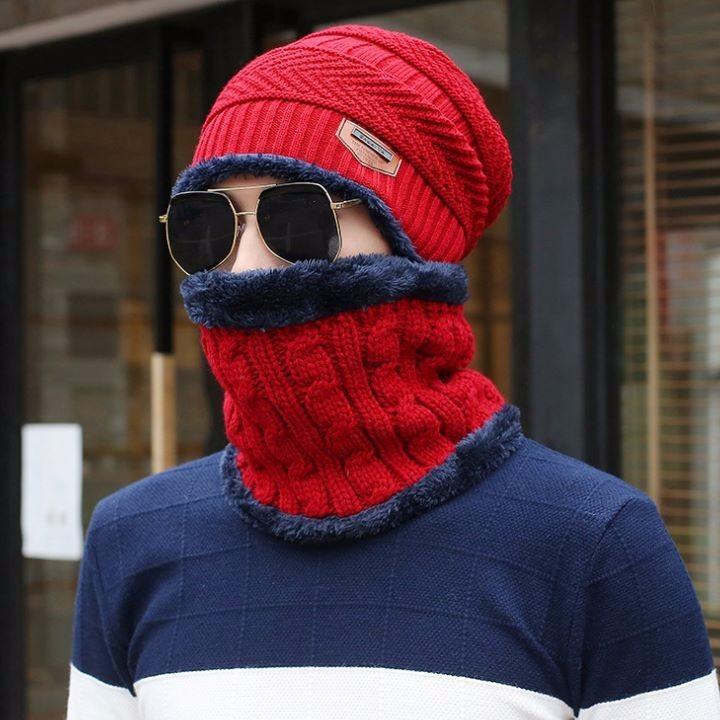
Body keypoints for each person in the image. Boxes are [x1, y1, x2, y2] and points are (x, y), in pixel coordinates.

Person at [66, 23, 720, 720]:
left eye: (295, 219)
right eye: (207, 225)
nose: (245, 267)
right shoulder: (133, 540)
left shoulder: (594, 542)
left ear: (417, 246)